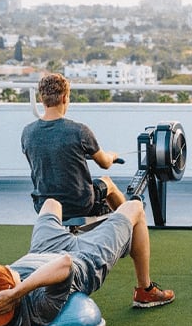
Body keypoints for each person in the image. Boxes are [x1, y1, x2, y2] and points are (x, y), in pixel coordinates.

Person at [0, 198, 174, 326]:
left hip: (42, 249)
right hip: (86, 257)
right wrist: (18, 291)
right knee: (134, 207)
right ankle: (145, 290)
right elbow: (65, 264)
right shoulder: (39, 309)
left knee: (51, 203)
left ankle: (84, 221)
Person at [21, 73, 125, 221]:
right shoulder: (80, 131)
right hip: (80, 205)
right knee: (108, 182)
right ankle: (129, 223)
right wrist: (112, 155)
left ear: (41, 99)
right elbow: (105, 163)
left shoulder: (27, 132)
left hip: (44, 206)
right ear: (64, 98)